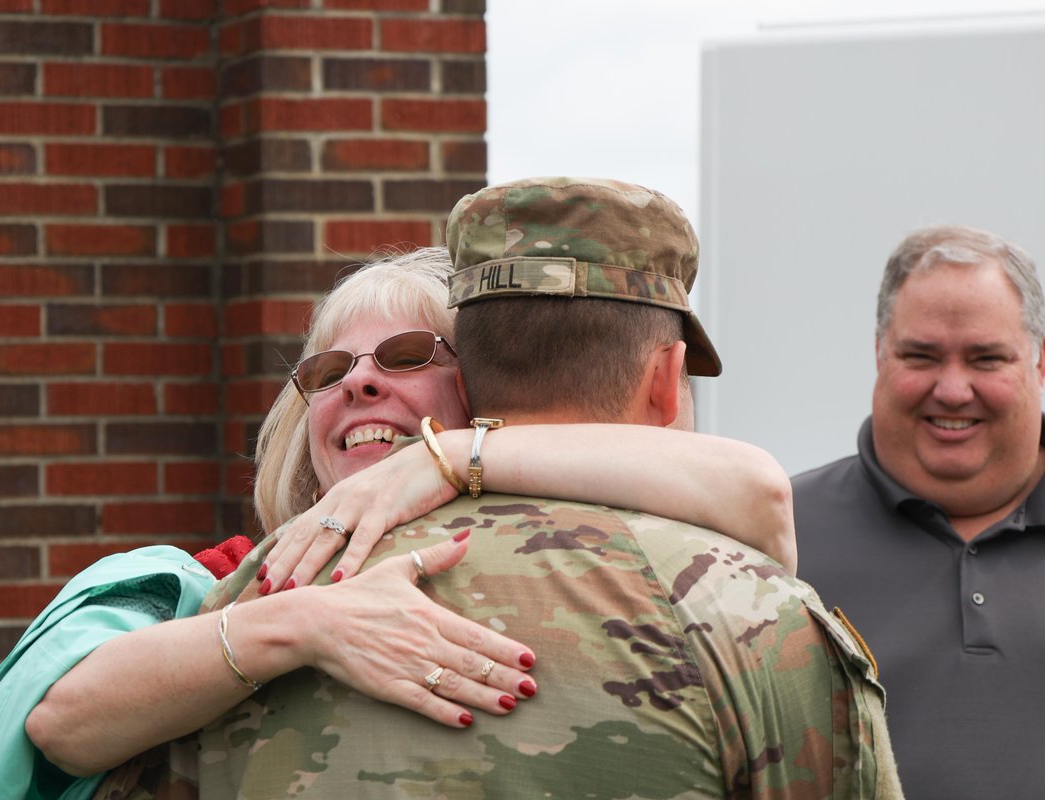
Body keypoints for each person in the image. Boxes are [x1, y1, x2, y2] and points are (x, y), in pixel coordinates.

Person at [0, 248, 796, 800]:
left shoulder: (570, 555)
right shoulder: (214, 577)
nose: (359, 384)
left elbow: (758, 492)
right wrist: (304, 621)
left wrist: (448, 459)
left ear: (481, 398)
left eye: (408, 357)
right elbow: (59, 720)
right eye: (330, 369)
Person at [185, 177, 904, 799]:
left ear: (466, 382)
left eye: (403, 357)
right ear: (664, 380)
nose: (362, 382)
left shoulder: (258, 596)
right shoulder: (751, 611)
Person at [792, 224, 1045, 800]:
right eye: (921, 356)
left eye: (986, 358)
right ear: (880, 354)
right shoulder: (774, 539)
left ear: (1039, 362)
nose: (953, 390)